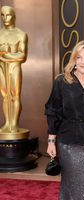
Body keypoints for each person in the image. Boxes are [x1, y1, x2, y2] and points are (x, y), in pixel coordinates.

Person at [45, 40, 84, 200]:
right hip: (68, 143)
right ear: (74, 60)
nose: (83, 61)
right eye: (79, 57)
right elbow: (52, 111)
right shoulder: (62, 81)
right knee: (70, 185)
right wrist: (51, 141)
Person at [0, 5, 28, 133]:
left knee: (15, 95)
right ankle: (7, 123)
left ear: (14, 16)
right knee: (5, 96)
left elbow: (22, 55)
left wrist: (5, 56)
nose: (5, 18)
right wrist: (8, 57)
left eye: (8, 15)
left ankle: (14, 124)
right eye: (2, 15)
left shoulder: (21, 34)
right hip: (2, 68)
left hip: (14, 68)